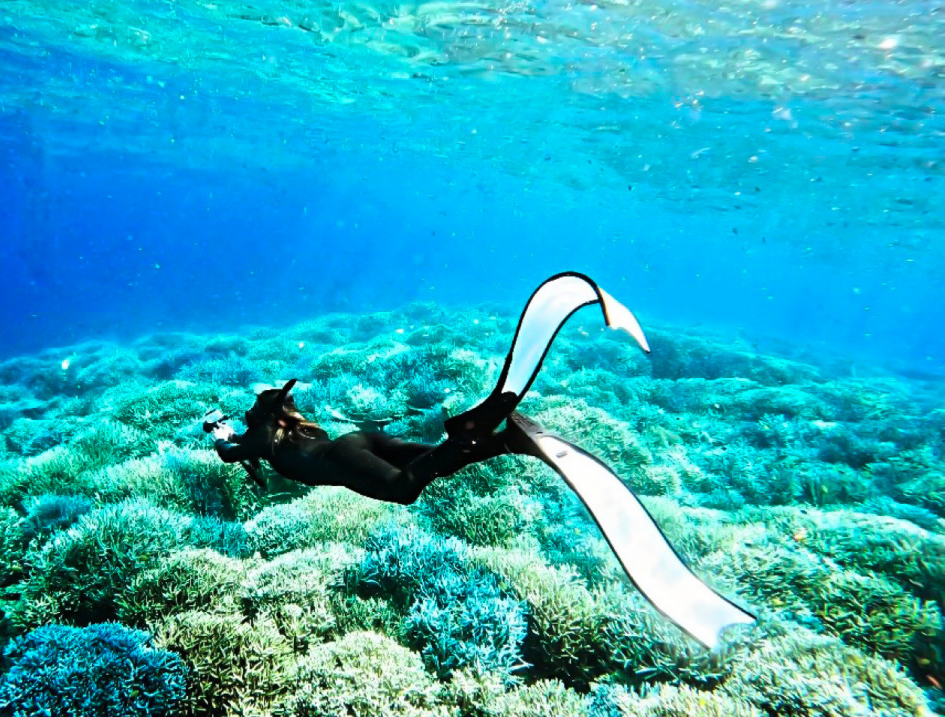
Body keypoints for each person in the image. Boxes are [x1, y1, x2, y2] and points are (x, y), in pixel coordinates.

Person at [205, 272, 755, 649]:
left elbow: (230, 452)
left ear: (261, 414)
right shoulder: (293, 426)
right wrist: (237, 426)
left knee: (406, 488)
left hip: (347, 460)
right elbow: (257, 437)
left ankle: (472, 429)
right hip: (357, 441)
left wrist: (218, 433)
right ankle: (507, 438)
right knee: (440, 461)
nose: (248, 416)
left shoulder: (259, 437)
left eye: (251, 411)